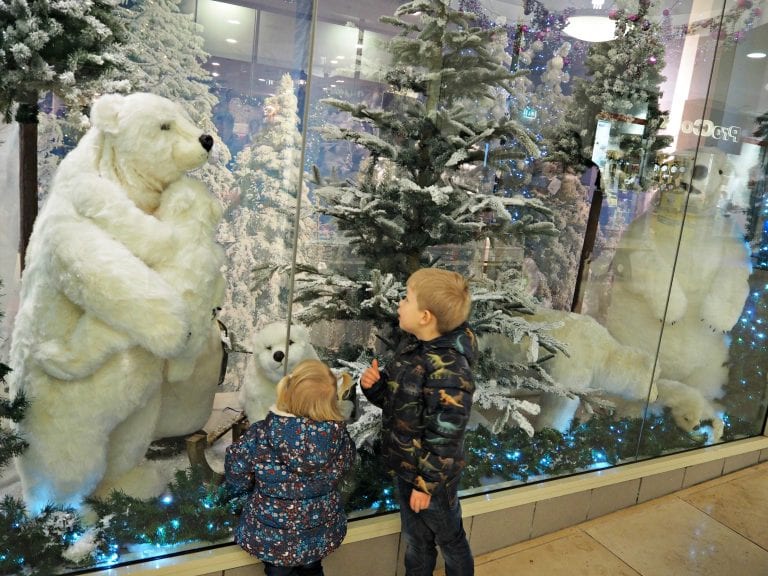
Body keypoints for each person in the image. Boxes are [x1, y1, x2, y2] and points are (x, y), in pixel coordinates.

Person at [361, 268, 477, 576]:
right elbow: (400, 405)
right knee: (416, 541)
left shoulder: (450, 372)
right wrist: (376, 387)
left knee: (450, 539)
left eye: (406, 298)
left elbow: (445, 437)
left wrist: (426, 486)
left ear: (425, 316)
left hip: (433, 481)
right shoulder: (413, 347)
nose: (400, 303)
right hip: (407, 469)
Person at [225, 358, 356, 576]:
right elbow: (346, 465)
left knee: (277, 571)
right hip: (318, 531)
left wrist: (243, 491)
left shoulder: (261, 434)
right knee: (313, 568)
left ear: (287, 392)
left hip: (272, 534)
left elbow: (236, 466)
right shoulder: (340, 438)